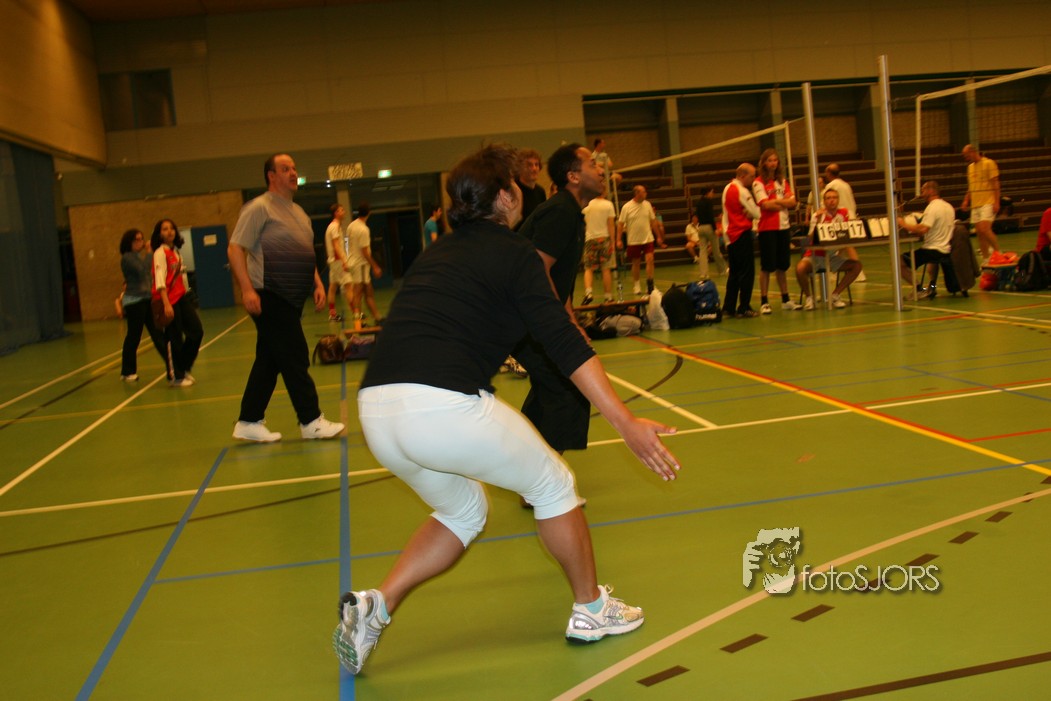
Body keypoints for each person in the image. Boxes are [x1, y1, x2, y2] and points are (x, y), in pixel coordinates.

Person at [333, 143, 680, 676]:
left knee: (463, 511)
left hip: (377, 412)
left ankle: (377, 607)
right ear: (503, 197)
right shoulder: (515, 252)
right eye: (516, 184)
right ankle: (592, 610)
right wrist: (625, 422)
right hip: (442, 406)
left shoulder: (437, 254)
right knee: (554, 486)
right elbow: (563, 343)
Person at [228, 153, 345, 443]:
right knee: (295, 355)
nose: (293, 173)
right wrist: (246, 289)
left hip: (292, 300)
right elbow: (235, 248)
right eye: (285, 169)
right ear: (271, 176)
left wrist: (316, 283)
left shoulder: (300, 214)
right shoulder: (259, 208)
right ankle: (310, 420)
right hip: (268, 294)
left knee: (270, 359)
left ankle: (248, 420)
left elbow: (305, 253)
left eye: (293, 168)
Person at [514, 144, 605, 496]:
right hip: (520, 318)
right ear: (573, 176)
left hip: (528, 317)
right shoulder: (561, 212)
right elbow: (538, 270)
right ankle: (541, 486)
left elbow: (558, 279)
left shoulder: (571, 212)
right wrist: (560, 328)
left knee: (548, 390)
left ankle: (527, 475)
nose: (600, 169)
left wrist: (572, 323)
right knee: (570, 388)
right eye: (592, 164)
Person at [151, 219, 204, 386]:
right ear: (159, 234)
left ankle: (183, 366)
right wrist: (166, 304)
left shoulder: (175, 252)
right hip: (168, 299)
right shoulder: (160, 253)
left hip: (181, 297)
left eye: (172, 228)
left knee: (196, 331)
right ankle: (176, 376)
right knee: (174, 338)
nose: (169, 231)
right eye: (165, 229)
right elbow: (160, 279)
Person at [796, 188, 862, 310]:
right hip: (815, 255)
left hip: (832, 257)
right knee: (800, 268)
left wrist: (840, 252)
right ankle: (809, 297)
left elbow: (847, 235)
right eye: (828, 198)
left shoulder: (844, 213)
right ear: (824, 201)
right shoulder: (817, 215)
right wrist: (818, 222)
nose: (832, 200)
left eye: (834, 197)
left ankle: (835, 295)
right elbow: (810, 238)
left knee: (857, 266)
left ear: (838, 200)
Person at [753, 149, 801, 313]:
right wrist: (783, 202)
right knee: (767, 266)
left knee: (783, 265)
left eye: (775, 160)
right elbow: (765, 205)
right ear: (764, 163)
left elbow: (793, 202)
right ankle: (764, 301)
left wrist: (777, 202)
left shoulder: (782, 181)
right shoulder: (758, 182)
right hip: (767, 228)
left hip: (784, 227)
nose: (773, 163)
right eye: (769, 160)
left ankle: (785, 299)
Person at [118, 228, 166, 381]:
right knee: (134, 336)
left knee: (157, 332)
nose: (140, 242)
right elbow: (143, 269)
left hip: (146, 299)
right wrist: (150, 252)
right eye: (137, 240)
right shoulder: (127, 258)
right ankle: (127, 371)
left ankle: (173, 364)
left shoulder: (138, 257)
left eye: (141, 239)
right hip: (134, 302)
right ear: (129, 242)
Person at [897, 180, 955, 299]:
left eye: (923, 190)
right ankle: (932, 287)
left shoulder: (932, 208)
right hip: (945, 249)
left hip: (932, 249)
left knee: (898, 262)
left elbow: (923, 229)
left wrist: (903, 224)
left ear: (931, 191)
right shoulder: (948, 206)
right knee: (932, 261)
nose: (921, 193)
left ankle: (918, 289)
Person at [721, 164, 761, 318]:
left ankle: (728, 307)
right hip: (741, 234)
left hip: (730, 237)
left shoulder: (727, 188)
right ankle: (744, 307)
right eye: (752, 176)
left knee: (734, 274)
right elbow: (757, 213)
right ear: (743, 176)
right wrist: (750, 213)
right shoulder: (742, 191)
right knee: (747, 273)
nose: (753, 179)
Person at [617, 185, 666, 295]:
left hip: (648, 238)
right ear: (637, 193)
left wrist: (658, 236)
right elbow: (620, 224)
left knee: (650, 259)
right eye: (643, 192)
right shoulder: (627, 207)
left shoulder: (647, 205)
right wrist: (618, 239)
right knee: (636, 263)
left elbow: (653, 221)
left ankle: (650, 283)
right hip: (634, 240)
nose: (645, 194)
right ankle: (636, 284)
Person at [823, 164, 865, 281]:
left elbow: (825, 203)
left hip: (841, 218)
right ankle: (833, 270)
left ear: (829, 173)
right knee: (841, 247)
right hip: (851, 216)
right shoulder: (846, 185)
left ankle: (859, 273)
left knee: (847, 245)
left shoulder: (831, 186)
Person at [961, 144, 1001, 262]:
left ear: (973, 152)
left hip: (988, 202)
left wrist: (997, 202)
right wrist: (966, 200)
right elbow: (971, 186)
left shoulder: (989, 163)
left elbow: (995, 183)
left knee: (985, 229)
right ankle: (986, 259)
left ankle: (998, 253)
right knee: (980, 233)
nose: (966, 158)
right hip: (975, 205)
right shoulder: (970, 167)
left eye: (966, 155)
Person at [346, 203, 383, 326]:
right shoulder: (363, 230)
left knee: (368, 292)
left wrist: (348, 257)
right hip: (361, 264)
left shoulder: (351, 225)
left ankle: (377, 317)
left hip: (354, 263)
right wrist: (375, 266)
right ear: (369, 213)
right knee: (358, 293)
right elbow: (365, 252)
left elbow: (346, 242)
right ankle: (359, 322)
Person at [582, 195, 616, 304]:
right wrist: (613, 241)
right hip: (604, 239)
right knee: (606, 269)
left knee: (588, 268)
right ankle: (608, 296)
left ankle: (588, 292)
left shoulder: (586, 205)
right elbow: (611, 225)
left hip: (590, 239)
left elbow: (583, 222)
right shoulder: (608, 204)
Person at [324, 204, 349, 322]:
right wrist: (344, 261)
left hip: (334, 261)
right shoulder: (334, 227)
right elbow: (336, 246)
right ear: (336, 213)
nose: (344, 212)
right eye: (341, 210)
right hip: (338, 261)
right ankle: (356, 314)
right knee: (349, 285)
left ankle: (332, 314)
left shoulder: (334, 226)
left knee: (333, 287)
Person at [514, 148, 547, 230]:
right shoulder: (513, 190)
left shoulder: (540, 192)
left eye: (536, 165)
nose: (534, 168)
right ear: (519, 168)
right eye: (529, 165)